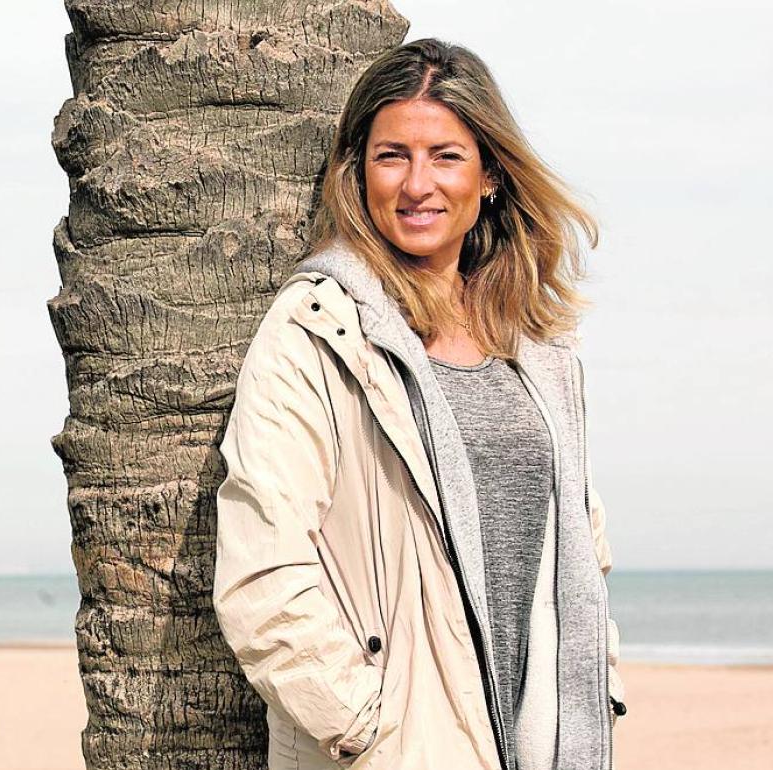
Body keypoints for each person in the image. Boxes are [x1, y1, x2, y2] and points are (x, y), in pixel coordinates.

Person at [211, 38, 626, 770]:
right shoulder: (319, 329)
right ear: (359, 174)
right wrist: (371, 730)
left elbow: (580, 551)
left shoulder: (538, 349)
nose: (416, 184)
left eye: (446, 156)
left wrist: (600, 686)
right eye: (391, 155)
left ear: (491, 174)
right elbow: (263, 569)